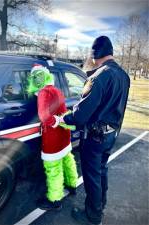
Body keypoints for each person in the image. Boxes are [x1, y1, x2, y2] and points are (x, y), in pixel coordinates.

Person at [54, 36, 130, 224]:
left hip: (95, 137)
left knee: (92, 176)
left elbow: (80, 115)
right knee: (101, 171)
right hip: (111, 134)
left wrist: (62, 118)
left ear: (96, 55)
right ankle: (100, 204)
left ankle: (93, 216)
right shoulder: (123, 75)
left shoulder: (99, 76)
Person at [27, 64, 78, 210]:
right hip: (64, 134)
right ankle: (72, 184)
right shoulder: (56, 89)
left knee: (53, 168)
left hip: (53, 137)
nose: (36, 80)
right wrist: (60, 121)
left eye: (37, 77)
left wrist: (55, 121)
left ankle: (55, 200)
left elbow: (44, 116)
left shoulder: (44, 92)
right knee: (68, 159)